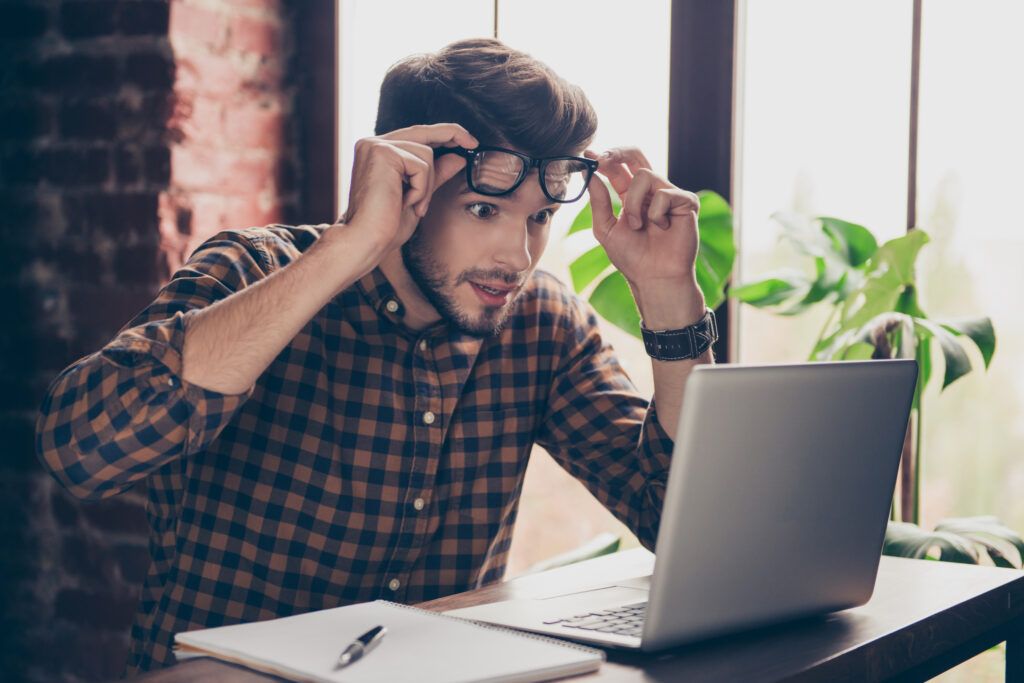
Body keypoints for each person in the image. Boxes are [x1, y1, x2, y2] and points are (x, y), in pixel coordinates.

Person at [35, 37, 714, 674]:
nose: (518, 256)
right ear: (405, 180)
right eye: (483, 210)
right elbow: (80, 454)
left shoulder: (541, 324)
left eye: (537, 218)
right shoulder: (251, 268)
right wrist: (347, 247)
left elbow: (685, 526)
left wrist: (667, 296)